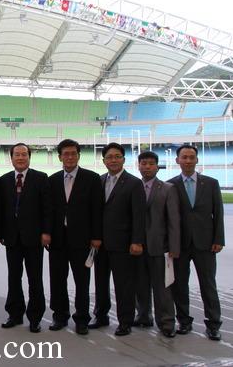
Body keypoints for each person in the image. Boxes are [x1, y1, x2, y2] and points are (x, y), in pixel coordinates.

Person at [47, 139, 103, 335]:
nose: (69, 157)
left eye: (73, 153)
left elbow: (97, 210)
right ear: (60, 157)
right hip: (57, 240)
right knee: (57, 281)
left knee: (82, 281)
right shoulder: (52, 180)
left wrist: (96, 236)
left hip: (82, 240)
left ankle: (82, 319)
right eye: (66, 154)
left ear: (78, 156)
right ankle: (60, 316)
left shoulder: (92, 178)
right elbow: (49, 211)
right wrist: (47, 233)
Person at [169, 144, 224, 341]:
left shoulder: (211, 183)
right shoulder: (170, 185)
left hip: (206, 243)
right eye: (184, 157)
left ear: (197, 160)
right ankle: (184, 321)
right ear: (177, 160)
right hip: (180, 245)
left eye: (191, 157)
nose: (188, 161)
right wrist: (170, 244)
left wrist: (218, 239)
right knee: (179, 285)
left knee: (208, 285)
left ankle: (213, 324)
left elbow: (218, 213)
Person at [89, 143, 145, 336]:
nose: (113, 160)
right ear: (104, 160)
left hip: (123, 244)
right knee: (100, 283)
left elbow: (139, 215)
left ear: (123, 159)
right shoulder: (99, 180)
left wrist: (137, 241)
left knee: (124, 285)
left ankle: (125, 321)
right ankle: (101, 316)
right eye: (109, 157)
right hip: (100, 243)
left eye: (117, 156)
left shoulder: (134, 183)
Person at [0, 143, 51, 333]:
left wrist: (46, 232)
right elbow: (0, 210)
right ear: (11, 157)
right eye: (17, 155)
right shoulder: (4, 180)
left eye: (24, 154)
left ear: (29, 157)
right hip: (12, 238)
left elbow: (47, 208)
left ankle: (35, 317)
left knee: (34, 279)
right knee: (14, 278)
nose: (20, 158)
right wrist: (0, 233)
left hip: (34, 238)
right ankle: (14, 314)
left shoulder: (41, 178)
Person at [136, 151, 180, 338]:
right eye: (143, 163)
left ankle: (167, 322)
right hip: (137, 246)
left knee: (162, 288)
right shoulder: (134, 186)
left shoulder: (168, 189)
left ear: (157, 166)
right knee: (140, 285)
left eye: (151, 163)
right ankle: (143, 316)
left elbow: (173, 220)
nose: (147, 167)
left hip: (160, 246)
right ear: (138, 166)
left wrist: (174, 247)